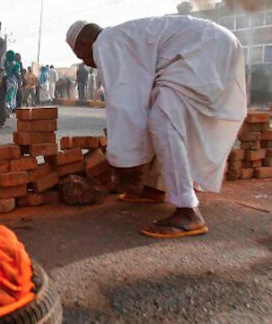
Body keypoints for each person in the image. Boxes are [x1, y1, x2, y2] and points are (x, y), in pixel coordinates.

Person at [65, 16, 246, 239]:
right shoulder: (124, 37)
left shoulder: (106, 42)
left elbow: (124, 102)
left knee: (163, 118)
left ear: (83, 44)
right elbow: (139, 101)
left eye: (80, 57)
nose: (86, 63)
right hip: (215, 43)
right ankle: (155, 187)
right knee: (157, 108)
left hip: (204, 48)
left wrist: (124, 162)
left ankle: (188, 212)